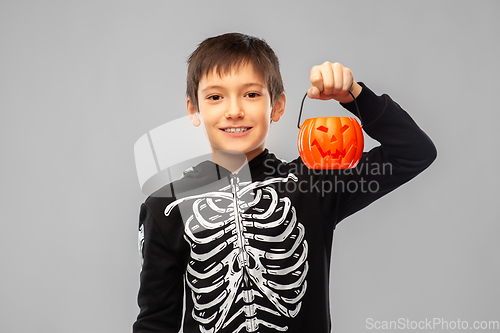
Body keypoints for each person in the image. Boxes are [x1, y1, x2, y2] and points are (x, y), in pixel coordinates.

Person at [133, 32, 437, 333]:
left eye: (251, 94)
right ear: (194, 109)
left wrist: (355, 96)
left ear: (277, 106)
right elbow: (155, 322)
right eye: (215, 97)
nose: (234, 110)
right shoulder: (167, 206)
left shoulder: (313, 184)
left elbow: (413, 152)